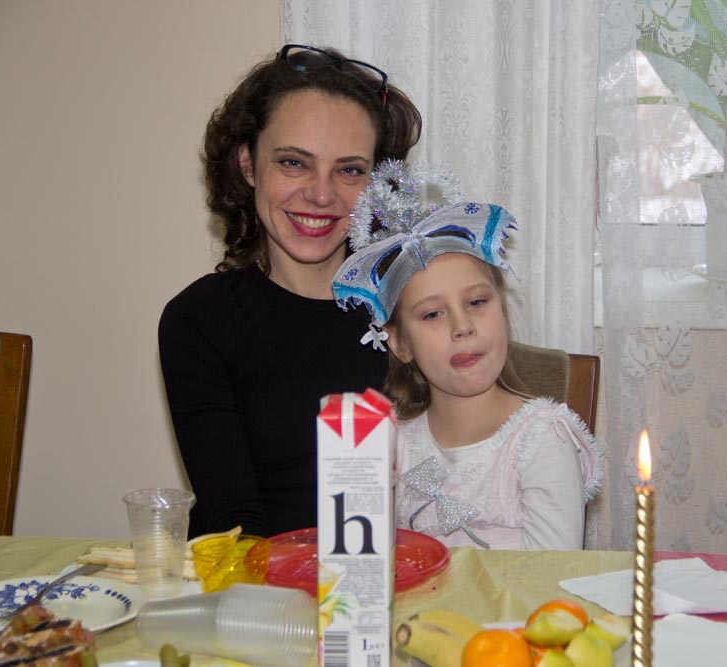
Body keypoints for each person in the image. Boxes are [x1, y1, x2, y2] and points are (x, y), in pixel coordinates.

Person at [159, 45, 423, 538]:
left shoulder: (413, 305)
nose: (321, 195)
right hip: (257, 573)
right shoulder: (199, 320)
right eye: (294, 162)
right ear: (248, 164)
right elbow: (235, 523)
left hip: (396, 571)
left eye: (350, 170)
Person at [333, 161, 602, 550]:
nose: (462, 326)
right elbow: (365, 561)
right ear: (400, 343)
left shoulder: (541, 440)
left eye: (476, 302)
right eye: (432, 314)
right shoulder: (393, 443)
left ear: (502, 309)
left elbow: (553, 576)